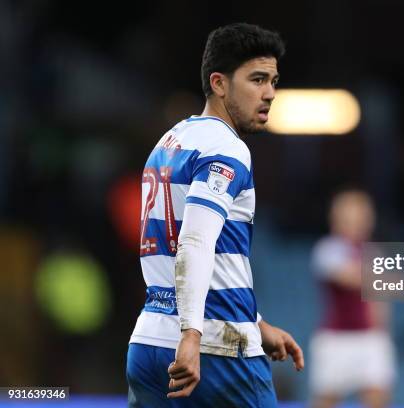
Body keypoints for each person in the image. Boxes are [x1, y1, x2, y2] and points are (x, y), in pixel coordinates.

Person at [126, 23, 304, 408]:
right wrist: (191, 335)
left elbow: (198, 251)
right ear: (219, 83)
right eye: (257, 79)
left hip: (148, 343)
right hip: (215, 349)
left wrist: (259, 325)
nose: (269, 93)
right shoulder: (227, 148)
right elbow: (195, 242)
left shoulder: (169, 143)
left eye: (273, 81)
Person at [310, 190, 396, 408]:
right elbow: (349, 277)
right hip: (336, 339)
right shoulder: (327, 249)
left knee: (377, 399)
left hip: (369, 338)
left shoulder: (373, 251)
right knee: (326, 401)